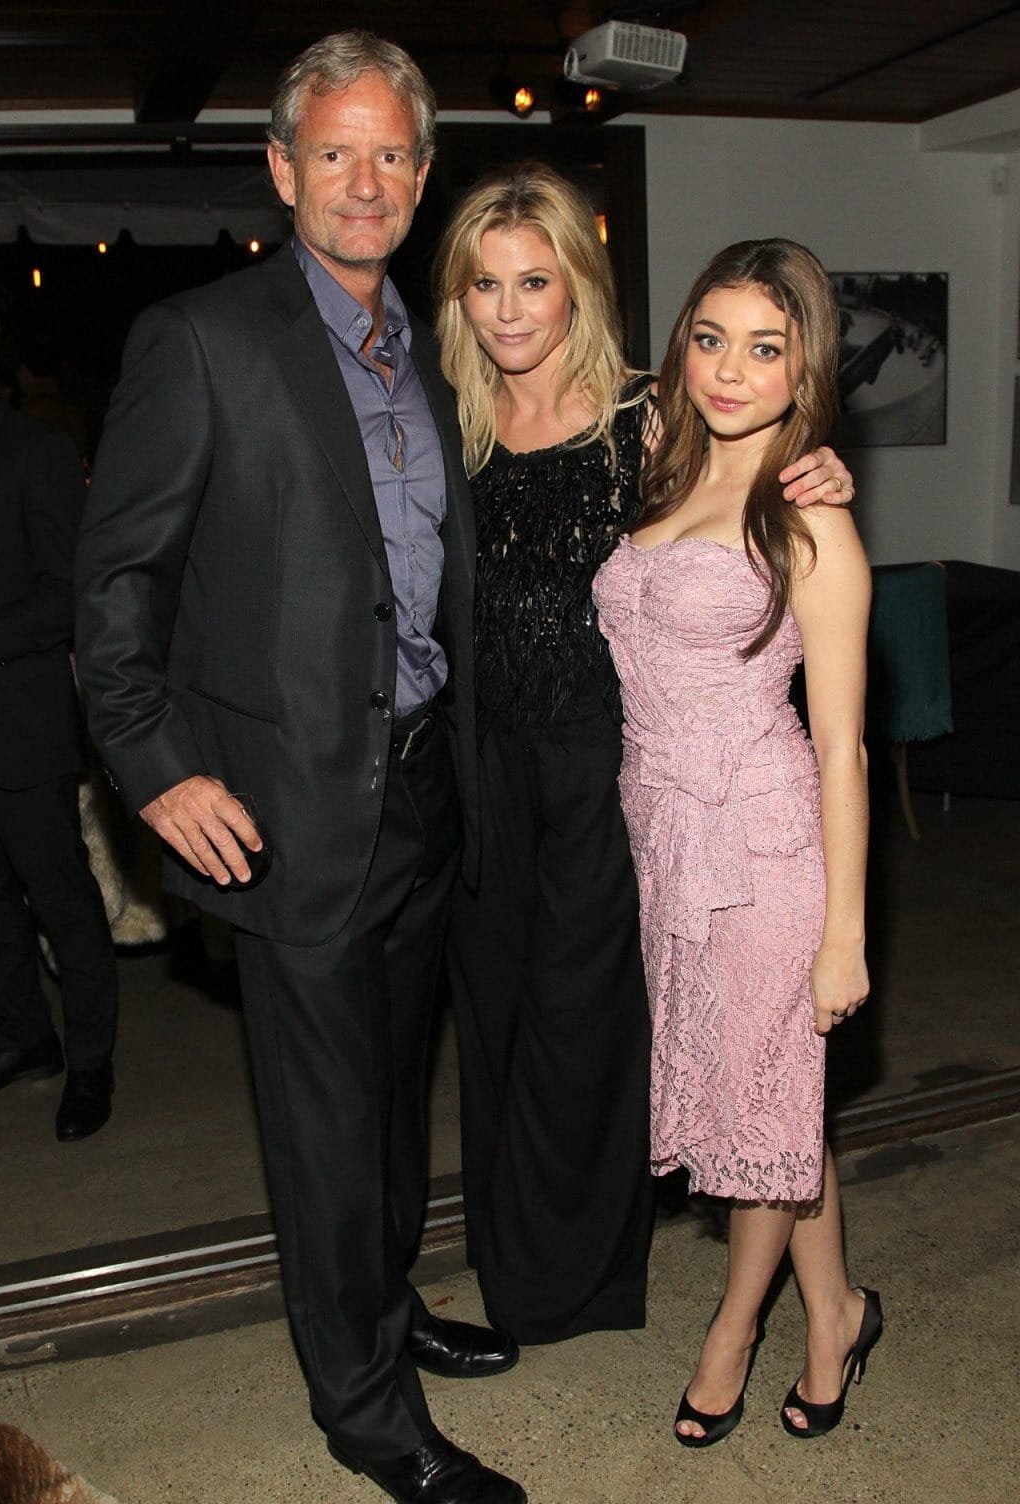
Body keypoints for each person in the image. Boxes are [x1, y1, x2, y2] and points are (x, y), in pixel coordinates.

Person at [75, 31, 524, 1504]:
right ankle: (366, 1410)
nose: (364, 180)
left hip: (425, 789)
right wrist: (155, 770)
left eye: (391, 152)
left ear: (422, 173)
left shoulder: (440, 346)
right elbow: (116, 589)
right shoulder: (201, 339)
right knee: (327, 1129)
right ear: (282, 169)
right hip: (286, 808)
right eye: (334, 151)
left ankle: (383, 1310)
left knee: (393, 1102)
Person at [434, 166, 855, 1346]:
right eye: (485, 283)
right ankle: (516, 1271)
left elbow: (753, 470)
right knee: (494, 1023)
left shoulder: (647, 416)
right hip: (482, 769)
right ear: (458, 298)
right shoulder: (443, 423)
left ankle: (585, 1284)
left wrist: (822, 468)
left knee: (591, 1031)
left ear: (578, 286)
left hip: (611, 771)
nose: (510, 308)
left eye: (535, 280)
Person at [593, 239, 880, 1448]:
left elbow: (843, 747)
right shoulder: (657, 464)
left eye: (765, 349)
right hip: (664, 844)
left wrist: (843, 937)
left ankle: (733, 1332)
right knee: (766, 1102)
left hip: (763, 850)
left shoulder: (810, 520)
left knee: (757, 1113)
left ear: (804, 369)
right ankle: (838, 1313)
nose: (729, 369)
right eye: (709, 339)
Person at [0, 395, 117, 1141]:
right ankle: (25, 1038)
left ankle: (92, 1064)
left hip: (22, 726)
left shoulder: (33, 450)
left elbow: (69, 595)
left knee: (61, 899)